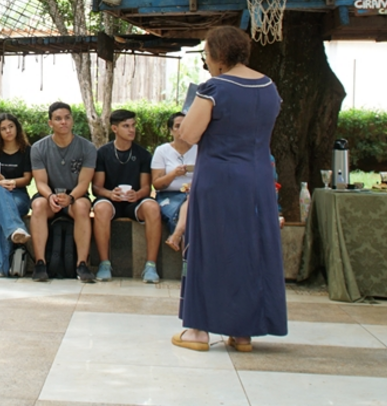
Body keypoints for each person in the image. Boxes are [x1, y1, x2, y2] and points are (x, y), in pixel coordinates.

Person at [172, 26, 288, 353]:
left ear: (218, 55)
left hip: (219, 176)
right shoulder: (268, 86)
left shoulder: (214, 88)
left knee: (210, 248)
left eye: (206, 55)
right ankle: (243, 333)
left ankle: (198, 330)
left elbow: (188, 135)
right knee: (252, 248)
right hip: (259, 178)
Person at [29, 102, 97, 283]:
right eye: (58, 119)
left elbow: (84, 181)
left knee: (83, 206)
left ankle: (82, 264)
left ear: (72, 120)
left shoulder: (87, 147)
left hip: (75, 195)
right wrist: (50, 196)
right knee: (37, 206)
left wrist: (72, 197)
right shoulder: (38, 148)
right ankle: (40, 263)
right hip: (49, 196)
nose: (63, 122)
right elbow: (40, 181)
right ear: (50, 123)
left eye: (67, 117)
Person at [91, 109, 161, 283]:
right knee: (100, 208)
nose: (132, 130)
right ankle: (104, 264)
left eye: (133, 125)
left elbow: (146, 187)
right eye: (126, 126)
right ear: (115, 129)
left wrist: (136, 194)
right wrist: (110, 193)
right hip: (110, 201)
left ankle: (151, 266)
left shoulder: (143, 154)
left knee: (152, 207)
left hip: (134, 202)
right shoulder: (103, 153)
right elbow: (96, 188)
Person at [0, 113, 33, 278]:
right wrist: (0, 183)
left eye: (11, 127)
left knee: (5, 213)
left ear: (17, 128)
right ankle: (17, 229)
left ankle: (0, 267)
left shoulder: (27, 151)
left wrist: (12, 182)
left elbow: (27, 178)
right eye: (3, 129)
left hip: (18, 195)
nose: (8, 131)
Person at [151, 111, 197, 251]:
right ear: (171, 130)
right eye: (177, 126)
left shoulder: (199, 150)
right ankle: (188, 269)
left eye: (185, 125)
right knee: (190, 211)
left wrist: (194, 185)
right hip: (169, 196)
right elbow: (157, 184)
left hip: (196, 194)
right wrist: (173, 174)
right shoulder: (162, 151)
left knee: (191, 201)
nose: (181, 129)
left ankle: (176, 235)